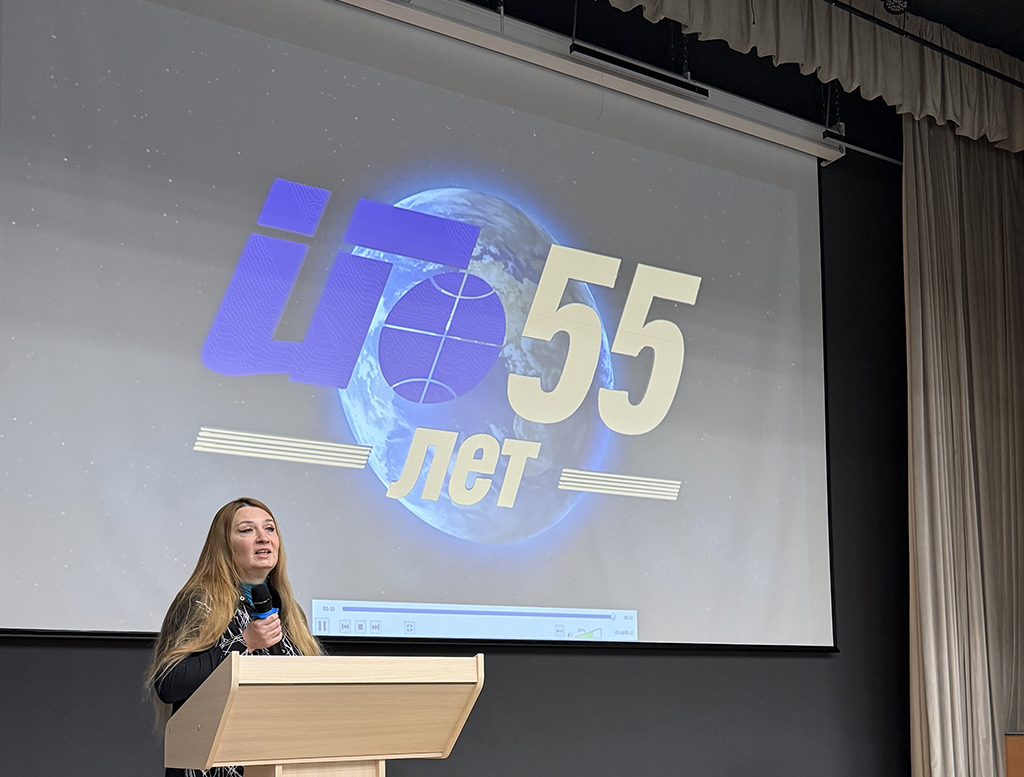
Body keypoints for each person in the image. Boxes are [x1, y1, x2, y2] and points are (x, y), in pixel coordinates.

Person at [147, 497, 324, 777]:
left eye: (269, 529)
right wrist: (245, 643)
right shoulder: (200, 601)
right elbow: (169, 683)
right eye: (247, 530)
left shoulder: (291, 611)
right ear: (224, 546)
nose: (263, 538)